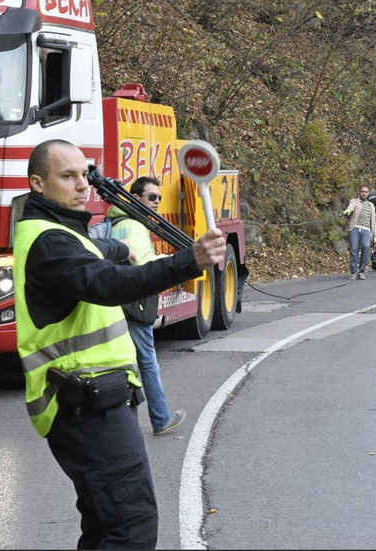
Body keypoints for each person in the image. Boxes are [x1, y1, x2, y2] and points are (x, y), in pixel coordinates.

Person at [13, 139, 226, 549]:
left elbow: (97, 249)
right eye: (67, 176)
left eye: (83, 174)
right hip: (86, 407)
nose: (82, 185)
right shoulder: (50, 242)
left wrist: (124, 246)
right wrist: (188, 260)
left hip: (91, 403)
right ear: (38, 183)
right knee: (132, 529)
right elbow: (106, 283)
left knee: (103, 530)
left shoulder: (59, 231)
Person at [108, 176, 185, 436]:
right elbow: (144, 264)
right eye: (151, 197)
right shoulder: (134, 226)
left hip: (114, 300)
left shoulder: (114, 221)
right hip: (134, 302)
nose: (156, 202)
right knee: (147, 361)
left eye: (159, 198)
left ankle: (116, 424)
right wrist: (174, 261)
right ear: (136, 197)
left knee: (118, 364)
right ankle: (161, 418)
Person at [342, 185, 376, 280]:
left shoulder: (371, 206)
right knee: (354, 249)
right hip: (355, 228)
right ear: (359, 192)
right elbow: (351, 206)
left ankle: (361, 271)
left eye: (366, 192)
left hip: (366, 229)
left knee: (366, 247)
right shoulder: (355, 201)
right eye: (362, 191)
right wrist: (348, 210)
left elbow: (373, 222)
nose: (364, 193)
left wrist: (375, 236)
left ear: (368, 193)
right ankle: (354, 272)